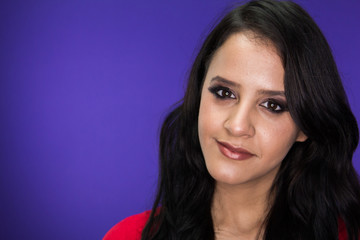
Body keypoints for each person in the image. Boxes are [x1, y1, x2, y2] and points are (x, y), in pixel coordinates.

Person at [104, 0, 360, 239]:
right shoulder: (130, 235)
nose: (237, 126)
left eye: (273, 105)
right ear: (200, 91)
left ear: (306, 124)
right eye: (225, 93)